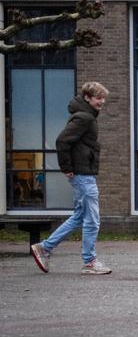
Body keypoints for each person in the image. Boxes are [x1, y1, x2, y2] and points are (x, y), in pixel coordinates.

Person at [30, 82, 112, 275]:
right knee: (92, 219)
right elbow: (62, 141)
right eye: (98, 97)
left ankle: (45, 247)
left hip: (83, 174)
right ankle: (90, 261)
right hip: (83, 175)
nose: (102, 101)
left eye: (103, 98)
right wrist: (66, 167)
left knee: (79, 216)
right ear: (87, 98)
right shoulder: (84, 118)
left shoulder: (86, 116)